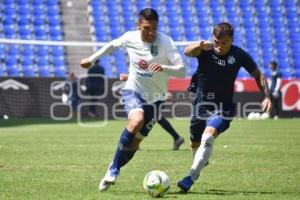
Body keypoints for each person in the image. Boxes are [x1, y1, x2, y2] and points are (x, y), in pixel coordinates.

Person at [80, 8, 186, 191]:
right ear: (139, 25)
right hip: (133, 91)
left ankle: (114, 166)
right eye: (146, 28)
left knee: (135, 144)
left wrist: (163, 68)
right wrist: (91, 58)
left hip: (157, 99)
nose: (151, 32)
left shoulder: (165, 41)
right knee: (136, 120)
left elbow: (182, 70)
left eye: (154, 28)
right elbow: (112, 45)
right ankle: (114, 169)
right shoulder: (130, 37)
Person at [176, 22, 272, 193]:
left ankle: (190, 177)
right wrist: (199, 44)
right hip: (201, 105)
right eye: (216, 42)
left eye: (224, 43)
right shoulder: (206, 50)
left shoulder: (239, 54)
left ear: (231, 40)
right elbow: (187, 52)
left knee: (208, 138)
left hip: (223, 107)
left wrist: (266, 96)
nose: (219, 47)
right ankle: (199, 164)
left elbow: (258, 74)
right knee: (195, 142)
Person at [119, 73, 185, 150]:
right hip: (148, 95)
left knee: (143, 117)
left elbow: (153, 76)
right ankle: (177, 137)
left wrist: (129, 76)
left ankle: (132, 143)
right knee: (155, 117)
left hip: (152, 96)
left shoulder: (150, 65)